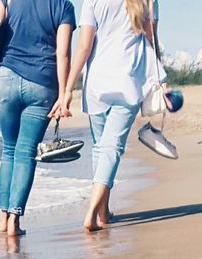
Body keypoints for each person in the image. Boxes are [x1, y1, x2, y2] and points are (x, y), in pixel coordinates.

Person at [55, 0, 159, 230]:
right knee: (112, 148)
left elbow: (84, 46)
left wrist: (68, 89)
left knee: (101, 147)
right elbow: (151, 41)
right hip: (129, 80)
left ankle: (103, 212)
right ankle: (93, 212)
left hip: (97, 83)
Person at [0, 0, 76, 238]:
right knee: (25, 152)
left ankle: (2, 219)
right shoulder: (64, 6)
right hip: (42, 83)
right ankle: (15, 219)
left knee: (9, 150)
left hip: (7, 78)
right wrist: (64, 94)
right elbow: (63, 54)